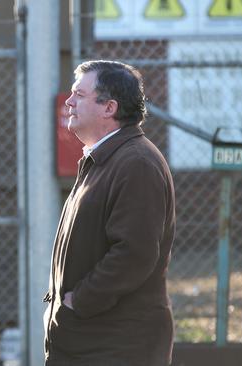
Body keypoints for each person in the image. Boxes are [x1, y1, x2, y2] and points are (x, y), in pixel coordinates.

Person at [44, 60, 176, 366]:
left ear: (109, 108)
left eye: (79, 94)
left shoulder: (136, 163)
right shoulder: (105, 158)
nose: (69, 101)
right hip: (92, 341)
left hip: (116, 346)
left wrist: (79, 301)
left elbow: (135, 254)